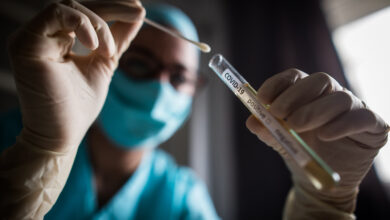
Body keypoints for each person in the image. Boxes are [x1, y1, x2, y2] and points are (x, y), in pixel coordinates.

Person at [0, 0, 388, 219]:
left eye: (180, 75)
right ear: (106, 64)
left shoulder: (181, 197)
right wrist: (44, 147)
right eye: (139, 63)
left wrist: (323, 207)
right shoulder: (21, 140)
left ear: (193, 91)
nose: (159, 86)